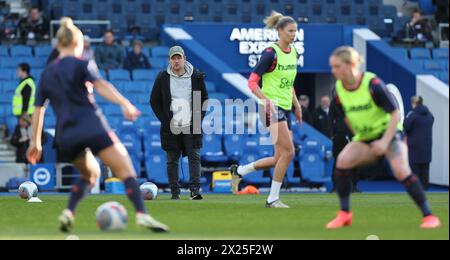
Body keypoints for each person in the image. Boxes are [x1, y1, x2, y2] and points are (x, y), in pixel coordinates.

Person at [26, 17, 169, 233]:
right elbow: (101, 85)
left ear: (58, 44)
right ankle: (142, 215)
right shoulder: (82, 64)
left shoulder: (46, 74)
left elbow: (39, 110)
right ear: (78, 44)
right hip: (92, 125)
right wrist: (125, 103)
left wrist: (35, 142)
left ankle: (69, 212)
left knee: (91, 175)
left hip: (66, 136)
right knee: (126, 169)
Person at [326, 46, 440, 229]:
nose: (333, 71)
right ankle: (345, 214)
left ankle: (429, 216)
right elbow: (345, 115)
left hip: (390, 134)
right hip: (365, 137)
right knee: (342, 162)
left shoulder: (373, 84)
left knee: (401, 171)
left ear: (351, 65)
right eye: (332, 67)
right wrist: (358, 137)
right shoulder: (339, 90)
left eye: (337, 66)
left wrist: (385, 142)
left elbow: (395, 114)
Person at [230, 11, 302, 208]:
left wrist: (296, 105)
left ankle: (240, 171)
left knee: (278, 158)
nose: (293, 34)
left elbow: (289, 83)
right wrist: (266, 101)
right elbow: (252, 82)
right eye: (290, 31)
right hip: (271, 108)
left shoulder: (294, 52)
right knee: (289, 153)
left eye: (295, 31)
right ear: (279, 31)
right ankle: (272, 199)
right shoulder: (270, 53)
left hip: (285, 107)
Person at [150, 46, 208, 200]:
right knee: (172, 160)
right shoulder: (162, 77)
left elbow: (204, 99)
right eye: (173, 58)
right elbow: (154, 101)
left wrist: (198, 118)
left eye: (179, 58)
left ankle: (195, 191)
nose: (176, 61)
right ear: (169, 60)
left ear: (184, 58)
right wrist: (165, 120)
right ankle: (175, 192)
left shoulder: (196, 76)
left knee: (194, 157)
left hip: (191, 123)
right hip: (171, 125)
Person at [404, 96, 434, 190]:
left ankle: (416, 190)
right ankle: (426, 190)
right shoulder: (430, 115)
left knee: (415, 170)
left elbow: (406, 126)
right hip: (427, 147)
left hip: (414, 147)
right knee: (425, 170)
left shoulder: (412, 115)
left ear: (414, 103)